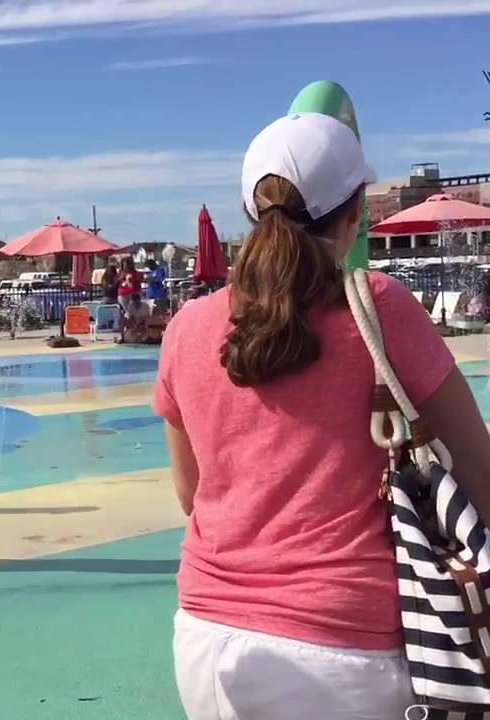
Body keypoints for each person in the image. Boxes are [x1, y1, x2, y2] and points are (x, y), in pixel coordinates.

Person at [155, 112, 490, 719]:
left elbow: (191, 492)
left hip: (206, 640)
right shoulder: (380, 307)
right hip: (342, 650)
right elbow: (480, 476)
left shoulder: (186, 328)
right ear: (356, 210)